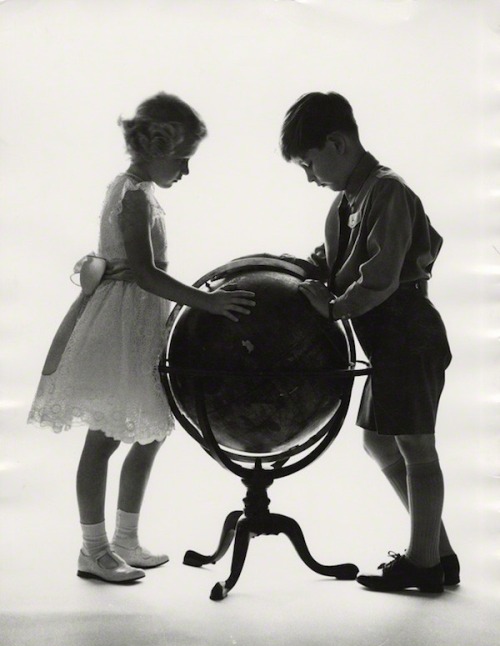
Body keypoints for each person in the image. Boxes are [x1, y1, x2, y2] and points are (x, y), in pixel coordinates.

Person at [28, 92, 255, 584]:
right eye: (183, 159)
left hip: (140, 320)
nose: (187, 172)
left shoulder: (141, 191)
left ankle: (126, 537)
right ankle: (94, 549)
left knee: (151, 432)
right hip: (120, 325)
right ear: (157, 146)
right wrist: (207, 301)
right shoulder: (131, 194)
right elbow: (147, 275)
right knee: (105, 438)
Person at [279, 91, 459, 593]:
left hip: (409, 332)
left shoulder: (387, 191)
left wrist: (333, 308)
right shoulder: (346, 202)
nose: (311, 177)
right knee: (379, 440)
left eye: (310, 163)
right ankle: (439, 551)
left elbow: (378, 278)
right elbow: (329, 263)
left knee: (417, 449)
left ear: (337, 143)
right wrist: (287, 272)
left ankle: (424, 565)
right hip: (385, 341)